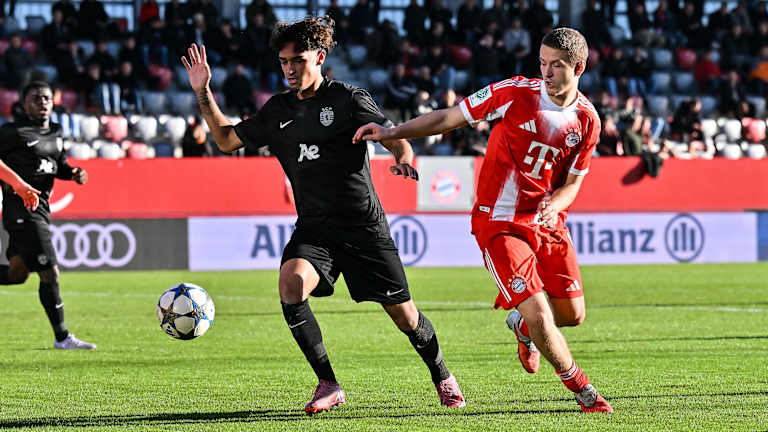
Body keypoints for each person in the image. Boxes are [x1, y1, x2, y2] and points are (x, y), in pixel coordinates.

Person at [181, 16, 465, 414]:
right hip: (316, 229)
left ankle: (442, 376)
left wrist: (403, 156)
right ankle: (328, 383)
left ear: (319, 56)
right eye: (283, 61)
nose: (290, 69)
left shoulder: (348, 99)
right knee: (291, 283)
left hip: (364, 227)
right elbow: (227, 140)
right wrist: (203, 92)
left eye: (297, 60)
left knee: (406, 316)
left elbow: (392, 134)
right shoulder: (277, 110)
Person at [354, 27, 614, 413]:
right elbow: (448, 117)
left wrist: (555, 204)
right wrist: (393, 132)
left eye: (557, 65)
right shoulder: (514, 93)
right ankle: (585, 392)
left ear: (579, 68)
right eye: (542, 62)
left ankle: (522, 327)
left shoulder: (587, 120)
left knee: (571, 316)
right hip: (499, 222)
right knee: (541, 313)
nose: (546, 72)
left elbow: (573, 184)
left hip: (546, 222)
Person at [0, 81, 95, 350]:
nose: (42, 102)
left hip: (41, 209)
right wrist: (16, 184)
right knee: (50, 273)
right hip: (22, 211)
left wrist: (73, 173)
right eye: (36, 98)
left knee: (17, 274)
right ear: (24, 104)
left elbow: (57, 165)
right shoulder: (12, 132)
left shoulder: (56, 131)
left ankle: (62, 338)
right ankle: (62, 337)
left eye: (46, 98)